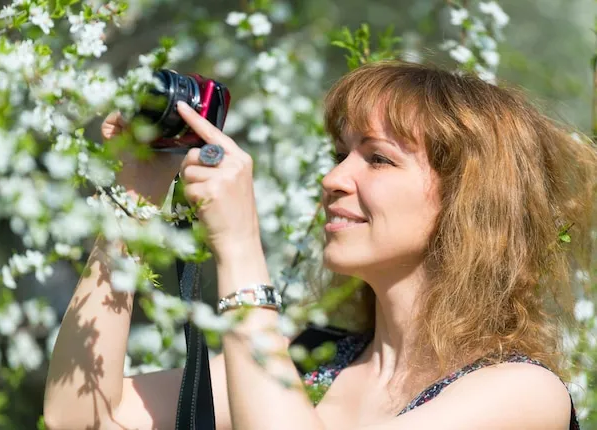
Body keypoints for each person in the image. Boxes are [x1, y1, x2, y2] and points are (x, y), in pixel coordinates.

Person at [43, 60, 596, 430]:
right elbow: (82, 418)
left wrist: (239, 249)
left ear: (468, 202)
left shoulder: (523, 395)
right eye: (340, 154)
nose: (334, 179)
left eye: (378, 158)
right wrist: (133, 204)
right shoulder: (315, 361)